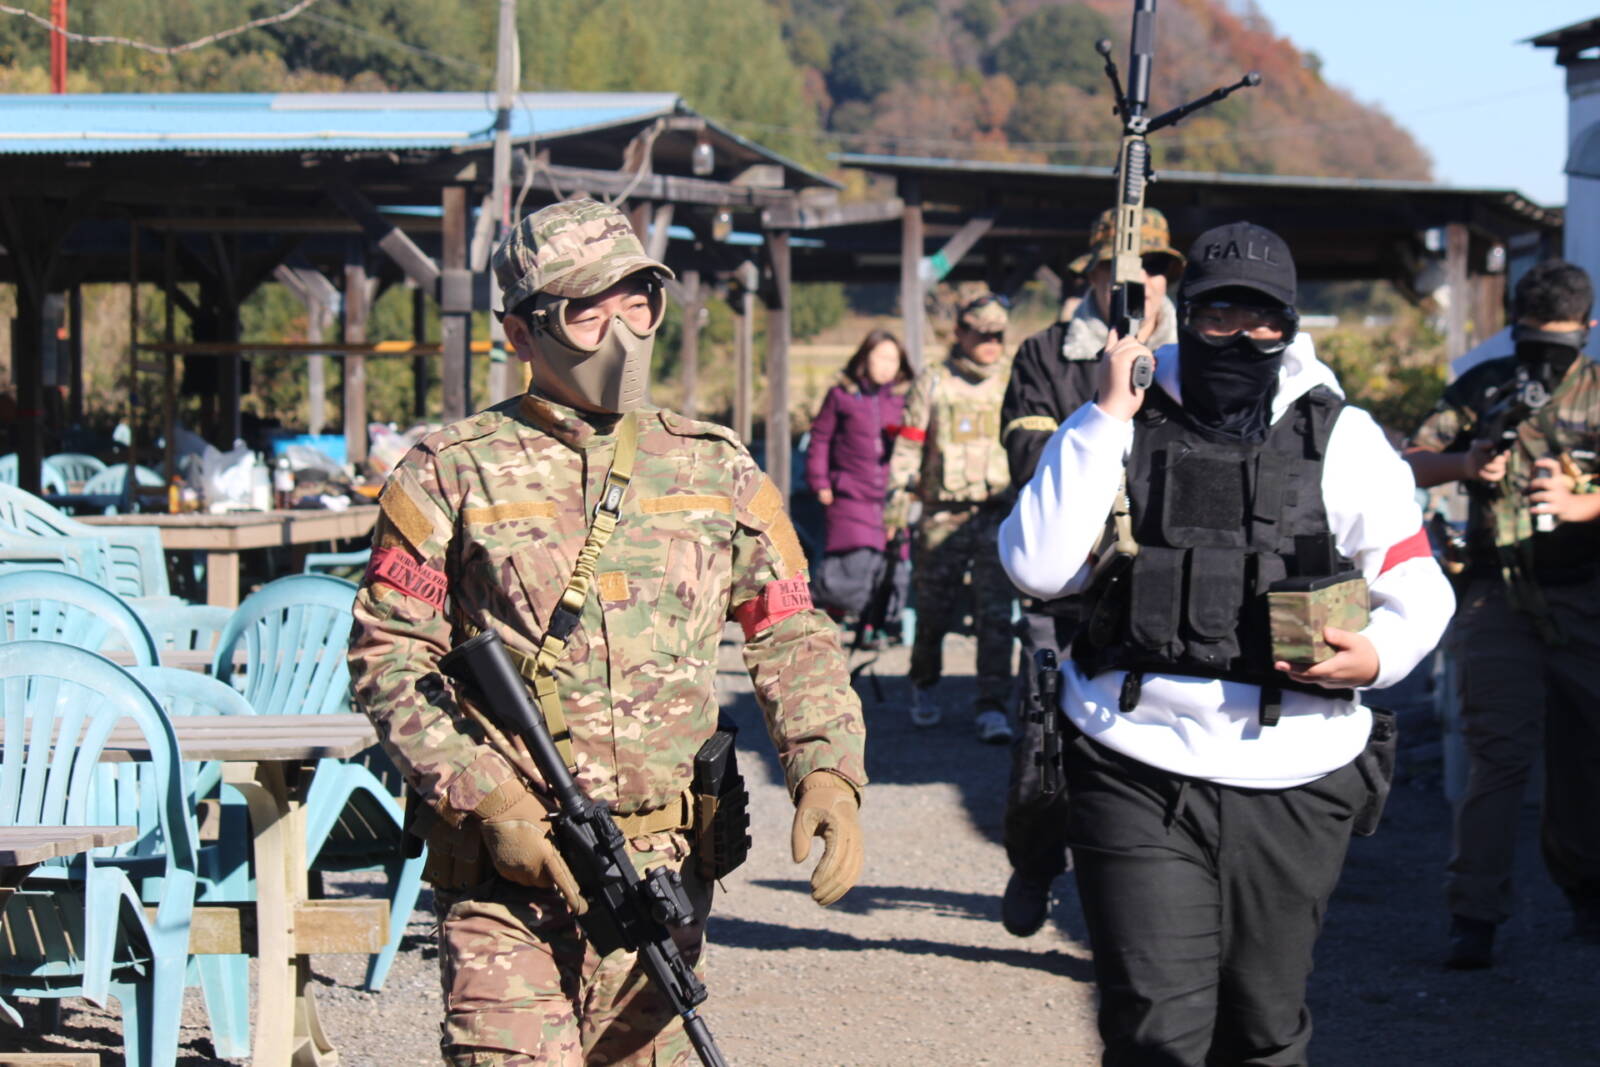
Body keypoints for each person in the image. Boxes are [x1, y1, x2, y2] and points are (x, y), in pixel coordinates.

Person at [347, 198, 867, 1066]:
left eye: (638, 302)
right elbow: (389, 656)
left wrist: (828, 768)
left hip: (661, 875)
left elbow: (788, 630)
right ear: (521, 334)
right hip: (510, 875)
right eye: (586, 313)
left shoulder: (715, 466)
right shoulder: (452, 471)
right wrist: (488, 797)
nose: (620, 333)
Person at [1001, 221, 1453, 1065]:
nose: (1241, 338)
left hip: (1296, 776)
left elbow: (1418, 583)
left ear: (1290, 324)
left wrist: (1380, 653)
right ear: (1189, 314)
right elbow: (1036, 564)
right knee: (1152, 1029)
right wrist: (1104, 414)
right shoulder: (1121, 412)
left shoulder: (1343, 437)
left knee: (1261, 1028)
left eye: (1263, 320)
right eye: (1219, 317)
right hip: (1130, 757)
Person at [1405, 258, 1600, 970]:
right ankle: (1474, 917)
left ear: (1588, 330)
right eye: (1532, 343)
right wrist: (1466, 464)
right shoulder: (1483, 389)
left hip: (1585, 597)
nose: (1545, 361)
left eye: (1559, 345)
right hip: (1498, 596)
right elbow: (1408, 459)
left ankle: (1586, 892)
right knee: (1496, 757)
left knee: (1584, 756)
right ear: (1513, 331)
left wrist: (1584, 503)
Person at [996, 206, 1184, 937]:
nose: (1141, 283)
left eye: (1155, 269)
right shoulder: (1047, 354)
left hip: (1166, 582)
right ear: (1094, 279)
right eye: (1123, 271)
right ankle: (1036, 862)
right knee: (1044, 739)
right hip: (1070, 581)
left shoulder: (1195, 360)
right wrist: (1104, 424)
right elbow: (1027, 457)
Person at [887, 292, 1017, 742]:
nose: (990, 344)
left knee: (996, 616)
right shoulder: (935, 381)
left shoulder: (1011, 379)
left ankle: (993, 705)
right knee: (934, 611)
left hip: (996, 513)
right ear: (960, 333)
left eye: (998, 336)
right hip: (942, 515)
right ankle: (924, 684)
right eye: (982, 335)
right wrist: (897, 501)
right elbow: (909, 443)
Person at [805, 328, 914, 643]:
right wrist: (819, 481)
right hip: (850, 492)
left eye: (893, 359)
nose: (887, 366)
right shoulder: (841, 395)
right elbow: (820, 438)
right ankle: (830, 617)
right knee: (854, 558)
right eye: (881, 357)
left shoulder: (905, 399)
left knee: (891, 562)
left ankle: (875, 625)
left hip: (892, 497)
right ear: (865, 358)